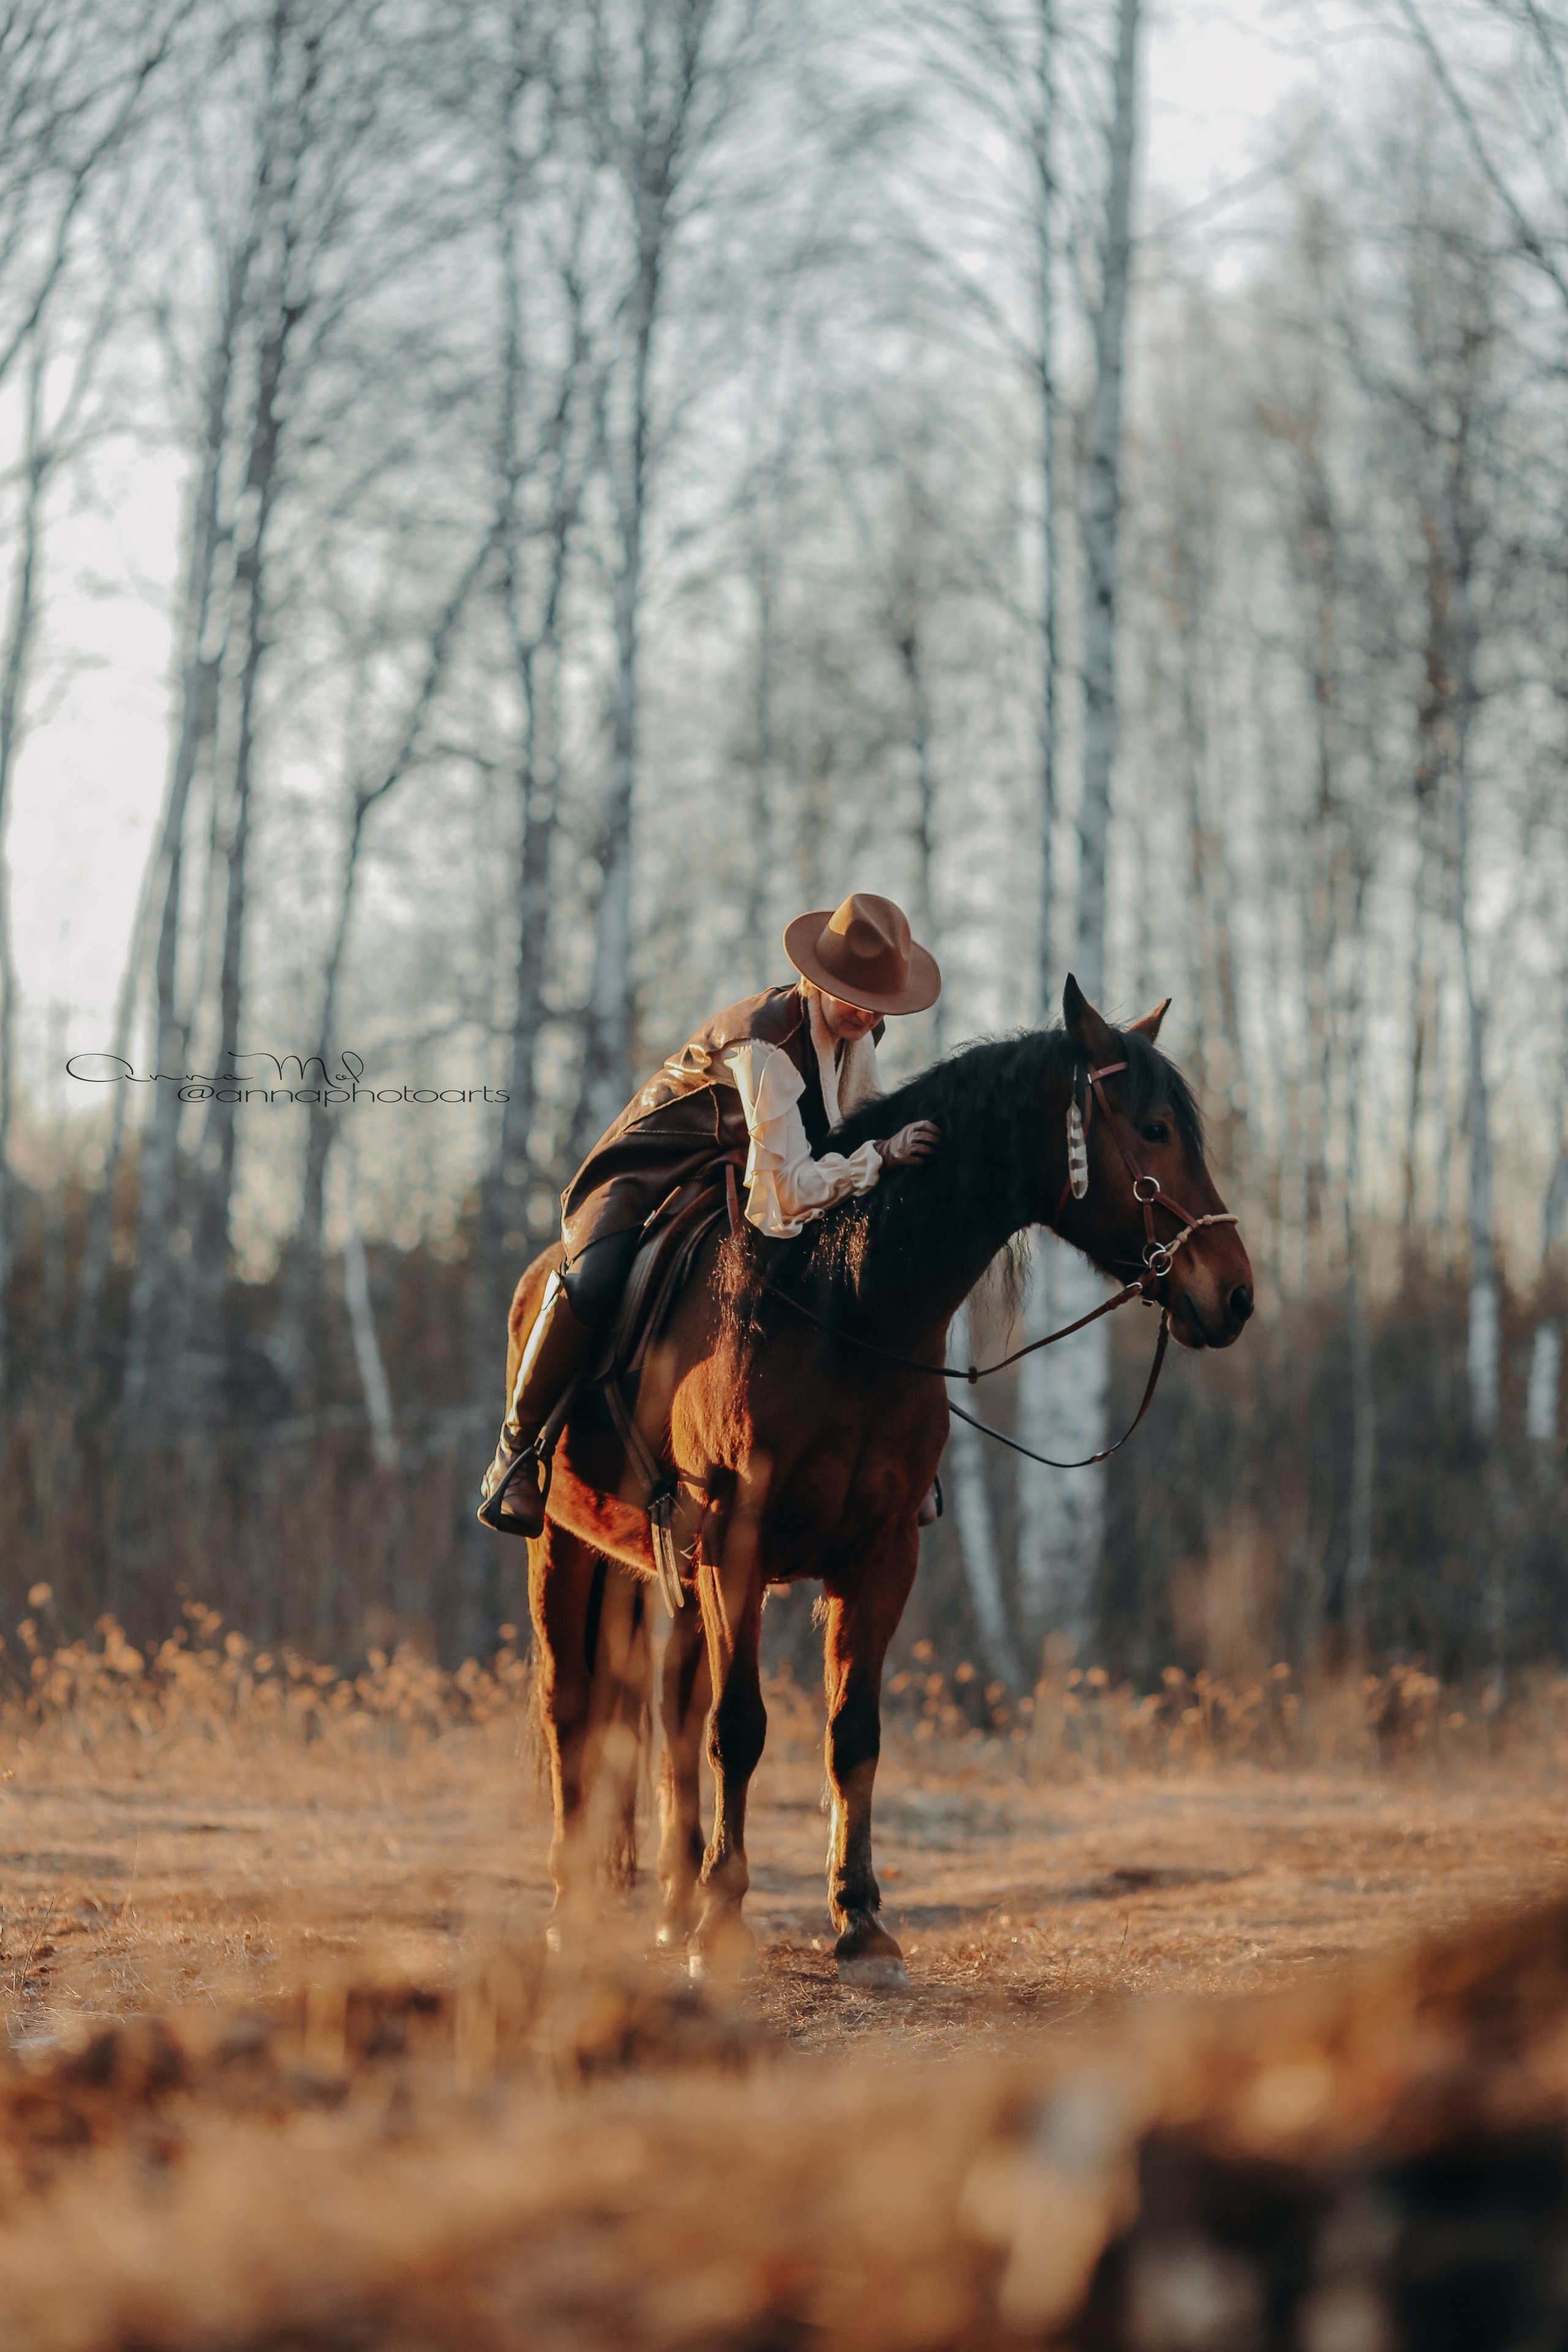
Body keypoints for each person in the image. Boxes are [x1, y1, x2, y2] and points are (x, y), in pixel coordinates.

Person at [479, 892, 943, 1537]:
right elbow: (781, 1192)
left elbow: (849, 1132)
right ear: (818, 979)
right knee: (594, 1280)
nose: (867, 1012)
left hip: (747, 1168)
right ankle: (518, 1452)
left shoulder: (858, 1034)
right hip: (652, 1173)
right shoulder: (765, 1042)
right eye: (855, 996)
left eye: (879, 1001)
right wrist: (879, 1158)